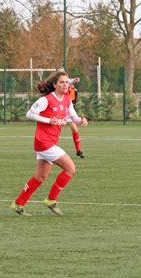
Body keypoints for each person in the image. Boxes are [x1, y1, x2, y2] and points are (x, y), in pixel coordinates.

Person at [10, 71, 88, 216]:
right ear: (54, 85)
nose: (65, 84)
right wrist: (49, 120)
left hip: (50, 141)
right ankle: (51, 200)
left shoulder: (66, 99)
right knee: (70, 168)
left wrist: (81, 120)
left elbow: (74, 117)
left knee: (40, 178)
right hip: (44, 142)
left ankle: (18, 204)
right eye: (62, 82)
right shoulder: (47, 99)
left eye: (66, 82)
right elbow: (30, 114)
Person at [55, 65, 85, 158]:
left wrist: (74, 81)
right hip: (58, 108)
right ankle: (50, 147)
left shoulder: (68, 84)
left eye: (62, 72)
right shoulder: (54, 84)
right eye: (59, 72)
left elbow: (69, 82)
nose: (61, 73)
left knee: (74, 129)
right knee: (56, 129)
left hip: (67, 108)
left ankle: (78, 150)